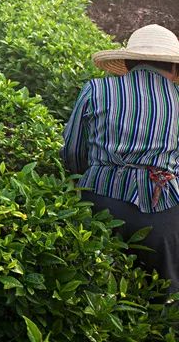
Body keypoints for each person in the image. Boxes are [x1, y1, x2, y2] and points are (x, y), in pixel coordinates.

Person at [61, 24, 179, 293]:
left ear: (127, 62)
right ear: (174, 68)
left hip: (100, 202)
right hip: (162, 210)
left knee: (93, 285)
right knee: (164, 294)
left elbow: (73, 151)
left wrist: (90, 179)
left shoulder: (96, 89)